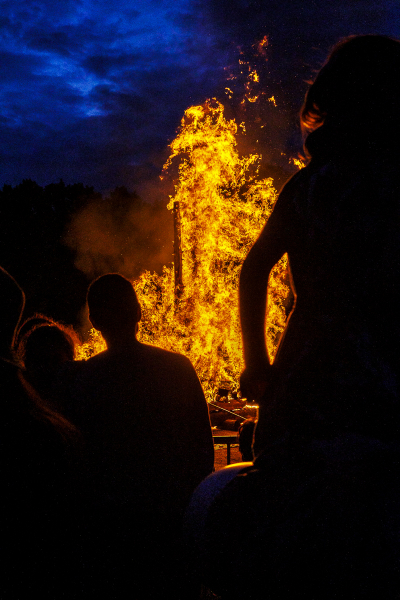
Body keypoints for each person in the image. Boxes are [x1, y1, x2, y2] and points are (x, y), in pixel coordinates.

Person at [194, 35, 400, 599]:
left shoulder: (308, 187)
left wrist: (258, 364)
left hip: (303, 383)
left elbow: (253, 269)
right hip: (381, 387)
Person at [65, 273, 214, 598]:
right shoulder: (177, 368)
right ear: (139, 313)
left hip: (110, 534)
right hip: (170, 526)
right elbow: (203, 450)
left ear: (94, 320)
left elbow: (76, 462)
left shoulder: (84, 380)